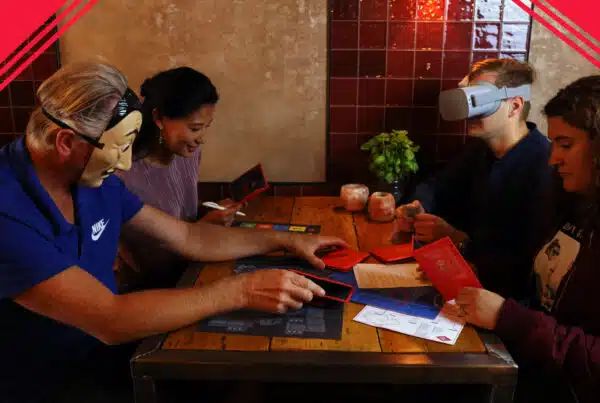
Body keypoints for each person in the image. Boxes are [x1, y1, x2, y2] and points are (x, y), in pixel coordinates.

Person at [0, 61, 346, 403]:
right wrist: (242, 290)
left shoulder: (93, 180)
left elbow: (189, 237)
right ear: (65, 142)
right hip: (47, 383)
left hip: (105, 356)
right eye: (119, 148)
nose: (124, 164)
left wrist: (288, 240)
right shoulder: (8, 210)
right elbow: (110, 319)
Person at [454, 75, 600, 403]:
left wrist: (508, 317)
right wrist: (479, 270)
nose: (553, 158)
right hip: (527, 370)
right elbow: (538, 277)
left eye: (566, 145)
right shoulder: (574, 203)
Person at [394, 58, 553, 300]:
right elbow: (438, 184)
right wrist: (418, 206)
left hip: (503, 299)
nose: (470, 113)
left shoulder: (546, 166)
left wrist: (457, 239)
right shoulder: (479, 150)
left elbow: (525, 257)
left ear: (514, 106)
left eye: (480, 101)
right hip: (460, 279)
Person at [115, 67, 241, 292]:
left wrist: (210, 212)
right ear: (158, 118)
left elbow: (178, 212)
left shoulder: (188, 155)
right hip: (147, 290)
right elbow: (143, 261)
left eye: (206, 127)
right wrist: (204, 227)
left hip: (191, 270)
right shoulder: (123, 172)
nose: (201, 139)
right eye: (195, 128)